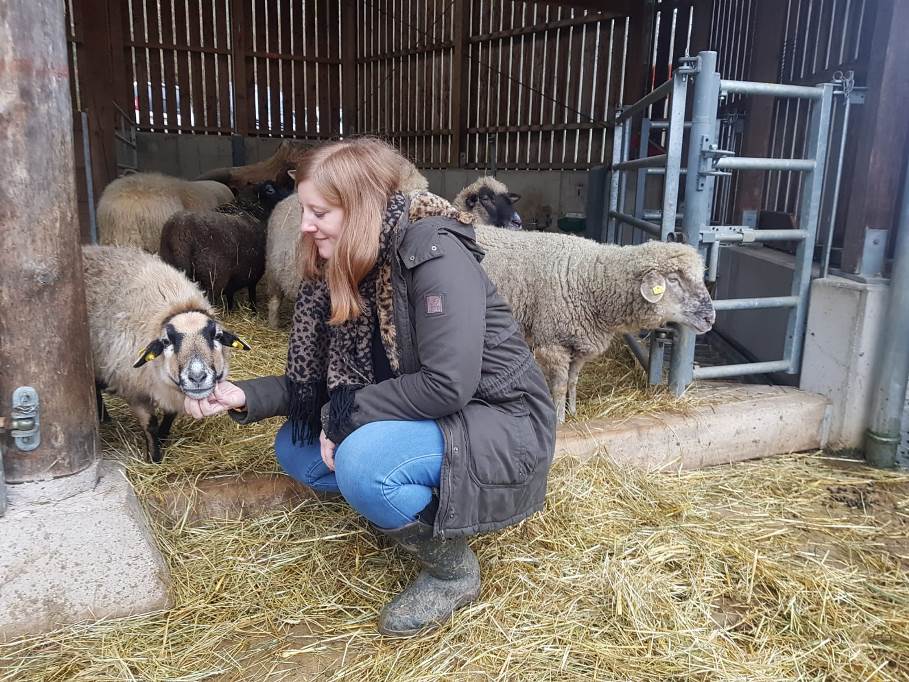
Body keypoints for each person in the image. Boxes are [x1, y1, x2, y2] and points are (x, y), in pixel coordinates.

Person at [184, 137, 556, 638]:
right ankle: (399, 505)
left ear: (358, 209)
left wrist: (346, 420)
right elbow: (329, 382)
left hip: (501, 422)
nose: (305, 224)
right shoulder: (354, 265)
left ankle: (453, 570)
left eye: (318, 211)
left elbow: (448, 385)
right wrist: (247, 395)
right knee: (295, 449)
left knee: (361, 459)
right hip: (442, 414)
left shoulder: (434, 254)